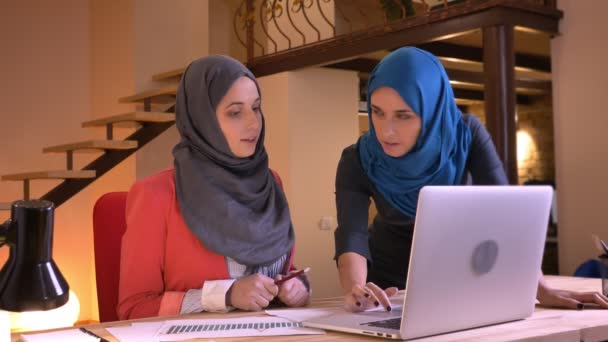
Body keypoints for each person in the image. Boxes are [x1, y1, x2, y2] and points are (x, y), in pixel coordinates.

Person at [334, 47, 608, 312]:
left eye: (403, 115)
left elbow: (506, 212)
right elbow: (352, 236)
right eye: (377, 111)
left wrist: (538, 288)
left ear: (432, 112)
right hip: (388, 290)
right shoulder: (357, 158)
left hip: (460, 278)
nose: (386, 130)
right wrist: (356, 289)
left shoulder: (467, 135)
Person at [117, 55, 310, 320]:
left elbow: (273, 265)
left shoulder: (271, 182)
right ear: (202, 119)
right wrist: (226, 295)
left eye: (256, 108)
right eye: (235, 112)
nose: (254, 123)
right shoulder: (156, 194)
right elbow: (133, 308)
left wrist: (297, 287)